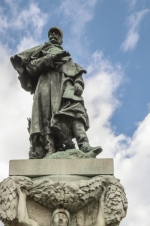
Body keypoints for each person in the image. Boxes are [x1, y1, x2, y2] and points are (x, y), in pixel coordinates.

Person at [10, 27, 102, 158]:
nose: (53, 35)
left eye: (57, 34)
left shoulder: (67, 56)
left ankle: (84, 144)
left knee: (76, 111)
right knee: (46, 115)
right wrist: (51, 58)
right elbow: (30, 68)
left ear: (61, 39)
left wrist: (78, 83)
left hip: (65, 85)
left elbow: (76, 72)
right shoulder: (40, 51)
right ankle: (49, 150)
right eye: (51, 33)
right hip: (46, 84)